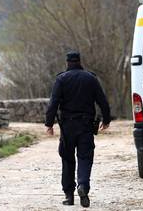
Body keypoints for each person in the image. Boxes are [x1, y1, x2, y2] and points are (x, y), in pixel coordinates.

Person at [45, 51, 111, 208]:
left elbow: (53, 103)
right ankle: (83, 186)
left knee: (67, 159)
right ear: (80, 61)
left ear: (67, 62)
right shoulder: (90, 78)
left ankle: (69, 195)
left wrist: (49, 123)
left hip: (67, 126)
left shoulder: (61, 79)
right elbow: (102, 101)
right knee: (85, 158)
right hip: (86, 125)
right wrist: (106, 119)